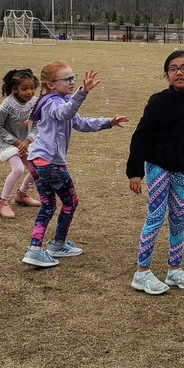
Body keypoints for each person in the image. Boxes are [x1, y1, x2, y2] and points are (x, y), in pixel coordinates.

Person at [126, 50, 184, 295]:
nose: (179, 72)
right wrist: (135, 171)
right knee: (155, 217)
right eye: (173, 68)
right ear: (167, 74)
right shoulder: (158, 101)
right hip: (158, 167)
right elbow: (141, 136)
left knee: (179, 220)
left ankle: (174, 269)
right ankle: (142, 272)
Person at [21, 62, 127, 268]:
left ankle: (36, 249)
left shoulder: (60, 100)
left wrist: (108, 122)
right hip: (49, 164)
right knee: (71, 202)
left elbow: (80, 122)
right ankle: (57, 245)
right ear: (51, 85)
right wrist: (83, 92)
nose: (73, 83)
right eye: (67, 79)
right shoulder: (53, 103)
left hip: (38, 162)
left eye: (73, 78)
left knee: (49, 205)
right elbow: (65, 114)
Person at [0, 68, 41, 219]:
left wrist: (27, 141)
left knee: (37, 168)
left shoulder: (34, 102)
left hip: (25, 142)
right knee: (18, 169)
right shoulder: (7, 105)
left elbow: (37, 124)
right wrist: (17, 143)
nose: (29, 92)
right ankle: (3, 203)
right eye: (24, 88)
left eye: (32, 88)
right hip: (8, 143)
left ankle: (22, 194)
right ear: (14, 89)